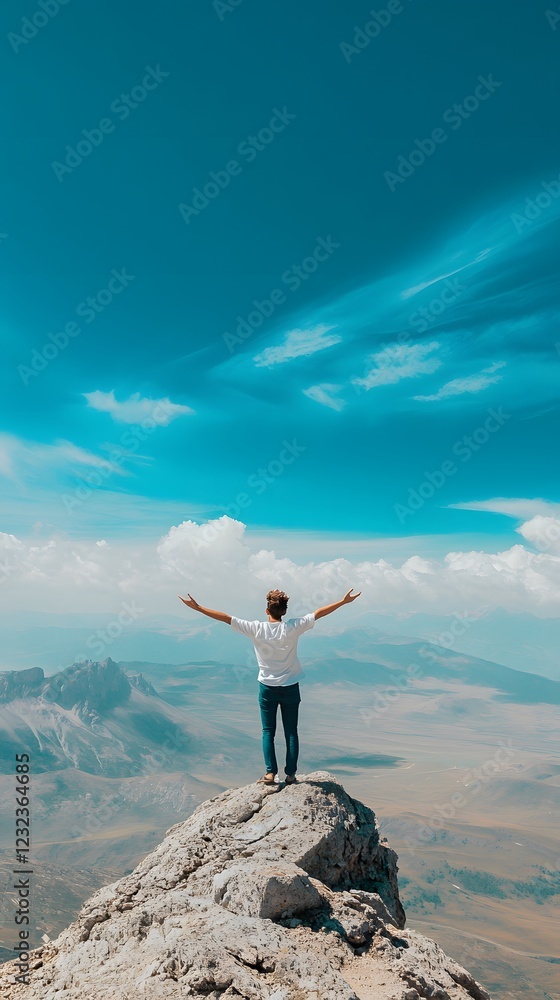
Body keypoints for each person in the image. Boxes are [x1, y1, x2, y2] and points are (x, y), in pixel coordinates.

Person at [178, 587, 361, 785]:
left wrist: (198, 608)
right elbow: (318, 613)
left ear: (267, 610)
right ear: (285, 611)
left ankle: (270, 773)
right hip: (290, 686)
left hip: (267, 687)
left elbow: (226, 618)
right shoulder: (294, 626)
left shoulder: (256, 629)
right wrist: (343, 602)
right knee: (291, 732)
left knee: (268, 731)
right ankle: (291, 775)